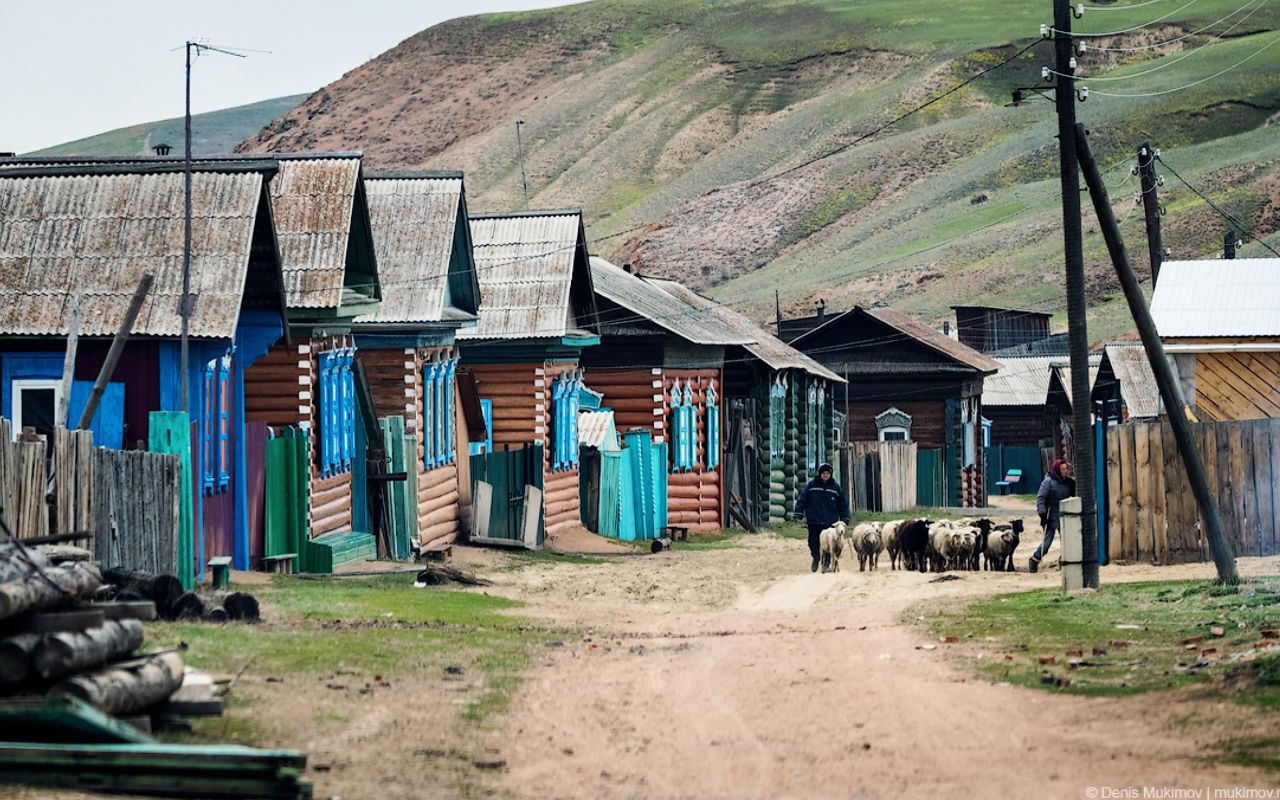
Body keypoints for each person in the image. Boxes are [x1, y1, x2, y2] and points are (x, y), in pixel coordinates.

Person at [793, 462, 850, 573]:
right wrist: (798, 513)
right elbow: (802, 500)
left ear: (830, 474)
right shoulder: (811, 486)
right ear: (820, 474)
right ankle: (816, 557)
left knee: (829, 544)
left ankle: (826, 565)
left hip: (830, 522)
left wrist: (844, 518)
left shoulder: (835, 488)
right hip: (814, 520)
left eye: (827, 473)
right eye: (823, 473)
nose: (825, 475)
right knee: (813, 542)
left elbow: (842, 505)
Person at [1029, 458, 1076, 573]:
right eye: (1063, 469)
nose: (1065, 471)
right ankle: (1035, 559)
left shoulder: (1069, 483)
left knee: (1067, 541)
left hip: (1065, 516)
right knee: (1047, 541)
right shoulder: (1048, 482)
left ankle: (1064, 561)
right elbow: (1040, 498)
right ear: (1057, 470)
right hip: (1051, 516)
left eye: (1066, 469)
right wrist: (1043, 514)